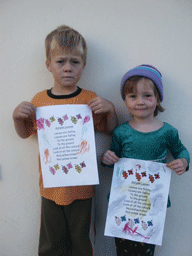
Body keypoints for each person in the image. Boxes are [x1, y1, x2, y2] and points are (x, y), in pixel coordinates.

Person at [12, 25, 117, 256]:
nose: (68, 68)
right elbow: (25, 133)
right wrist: (17, 118)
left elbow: (109, 130)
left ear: (84, 64)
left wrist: (109, 110)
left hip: (83, 188)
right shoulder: (39, 100)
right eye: (60, 61)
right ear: (48, 64)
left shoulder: (89, 99)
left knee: (82, 242)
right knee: (51, 244)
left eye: (75, 62)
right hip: (50, 187)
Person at [101, 64, 190, 256]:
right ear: (125, 100)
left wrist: (183, 162)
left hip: (152, 203)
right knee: (123, 249)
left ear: (158, 99)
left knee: (146, 251)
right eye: (133, 96)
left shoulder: (168, 132)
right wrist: (106, 158)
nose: (140, 101)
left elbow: (181, 151)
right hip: (125, 202)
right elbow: (111, 160)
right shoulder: (120, 132)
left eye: (147, 95)